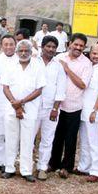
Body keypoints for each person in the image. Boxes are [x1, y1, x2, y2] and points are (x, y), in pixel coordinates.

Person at [48, 34, 92, 178]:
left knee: (71, 138)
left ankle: (67, 167)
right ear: (70, 44)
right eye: (76, 44)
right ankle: (53, 163)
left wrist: (67, 69)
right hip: (57, 106)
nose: (78, 48)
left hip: (75, 106)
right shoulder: (59, 58)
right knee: (56, 136)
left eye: (81, 46)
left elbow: (82, 84)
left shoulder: (86, 63)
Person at [0, 40, 45, 182]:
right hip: (11, 107)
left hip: (29, 109)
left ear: (31, 53)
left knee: (27, 140)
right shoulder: (10, 66)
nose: (24, 53)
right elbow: (5, 87)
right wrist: (16, 104)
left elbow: (39, 89)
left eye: (26, 51)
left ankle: (26, 171)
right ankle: (9, 168)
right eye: (21, 51)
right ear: (17, 52)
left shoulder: (38, 66)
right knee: (11, 139)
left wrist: (22, 102)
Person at [34, 36, 66, 181]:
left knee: (47, 139)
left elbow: (61, 88)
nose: (51, 49)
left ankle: (42, 168)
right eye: (48, 46)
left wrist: (55, 108)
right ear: (42, 46)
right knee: (29, 138)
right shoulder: (33, 62)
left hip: (50, 109)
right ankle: (27, 167)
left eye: (54, 47)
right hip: (32, 107)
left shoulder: (58, 66)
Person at [77, 44, 98, 182]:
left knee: (95, 142)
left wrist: (95, 110)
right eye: (94, 53)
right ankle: (84, 166)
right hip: (84, 110)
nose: (96, 56)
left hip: (95, 111)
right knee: (84, 141)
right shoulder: (89, 66)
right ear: (90, 53)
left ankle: (97, 170)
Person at [0, 35, 18, 171]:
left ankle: (8, 162)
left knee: (11, 134)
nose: (8, 47)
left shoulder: (21, 60)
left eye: (11, 44)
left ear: (15, 45)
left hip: (14, 102)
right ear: (1, 46)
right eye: (5, 44)